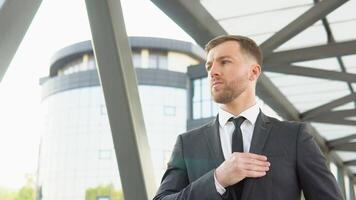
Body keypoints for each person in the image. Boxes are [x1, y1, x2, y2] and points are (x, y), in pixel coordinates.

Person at [153, 35, 343, 200]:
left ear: (253, 72)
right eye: (209, 66)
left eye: (224, 62)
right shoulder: (187, 143)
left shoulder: (294, 137)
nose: (213, 72)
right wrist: (217, 179)